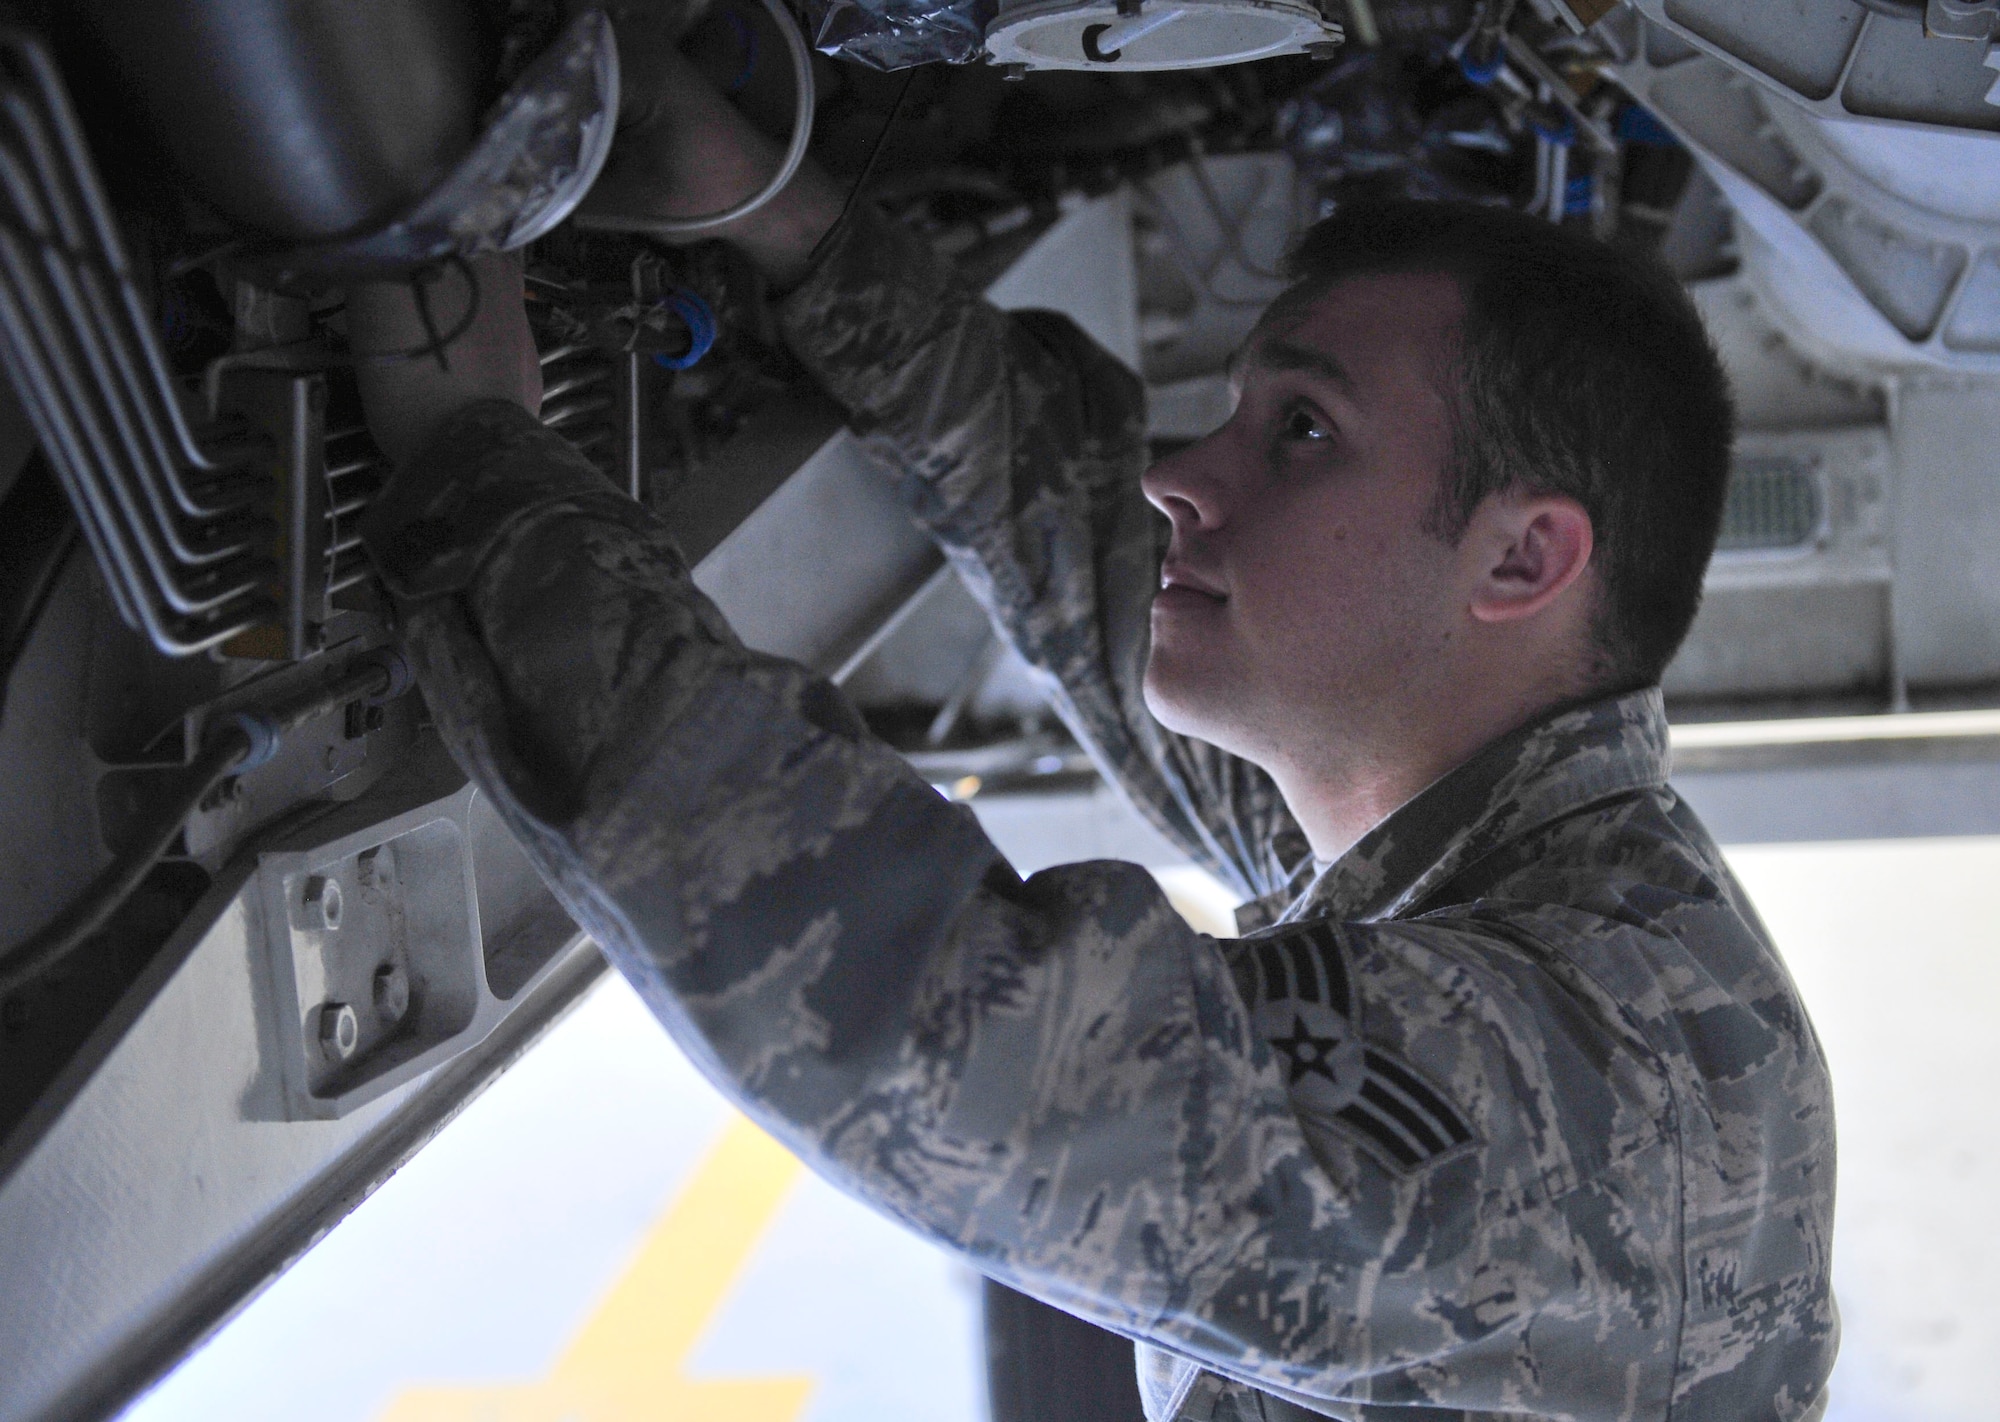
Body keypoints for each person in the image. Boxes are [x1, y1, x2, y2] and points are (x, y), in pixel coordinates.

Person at [348, 54, 1837, 1422]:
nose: (1183, 475)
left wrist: (480, 470)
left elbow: (949, 1035)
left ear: (1520, 564)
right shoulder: (1492, 857)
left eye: (1300, 431)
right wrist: (780, 212)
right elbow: (1085, 546)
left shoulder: (1617, 1084)